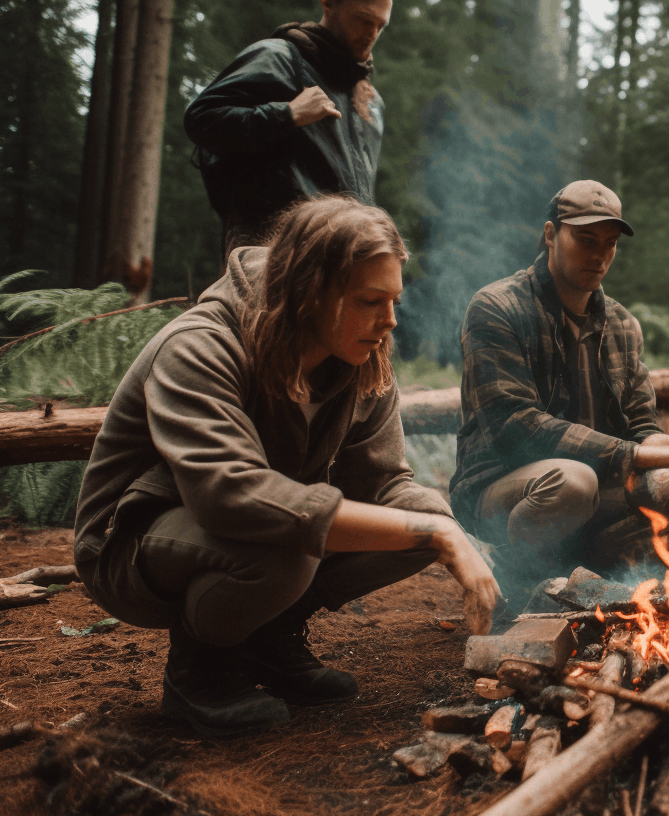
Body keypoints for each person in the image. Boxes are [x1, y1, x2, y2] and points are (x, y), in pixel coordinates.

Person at [72, 196, 500, 738]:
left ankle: (269, 639)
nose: (389, 322)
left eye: (394, 300)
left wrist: (440, 526)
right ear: (310, 293)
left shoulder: (362, 357)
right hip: (128, 545)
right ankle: (197, 672)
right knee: (288, 547)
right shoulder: (201, 346)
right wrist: (436, 531)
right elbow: (229, 494)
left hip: (243, 530)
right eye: (371, 301)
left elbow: (385, 482)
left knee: (422, 518)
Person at [451, 180, 669, 598]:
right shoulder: (497, 308)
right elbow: (516, 426)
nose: (599, 255)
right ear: (551, 235)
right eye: (586, 239)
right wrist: (644, 454)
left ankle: (594, 564)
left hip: (600, 480)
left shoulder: (622, 324)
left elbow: (641, 424)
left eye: (610, 243)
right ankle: (519, 584)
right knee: (573, 483)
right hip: (501, 488)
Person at [185, 0, 393, 255]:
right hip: (273, 253)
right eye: (364, 20)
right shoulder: (280, 58)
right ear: (328, 4)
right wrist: (288, 114)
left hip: (338, 260)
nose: (372, 33)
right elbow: (201, 119)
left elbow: (360, 192)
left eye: (380, 25)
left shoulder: (369, 99)